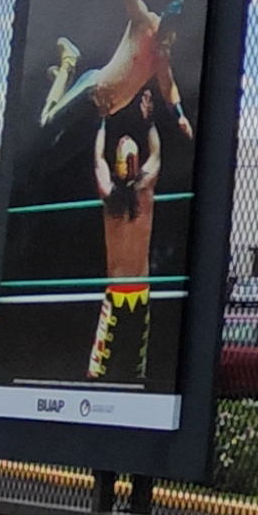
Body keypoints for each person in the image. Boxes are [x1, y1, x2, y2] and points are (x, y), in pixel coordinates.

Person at [41, 0, 190, 146]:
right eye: (165, 31)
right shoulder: (145, 23)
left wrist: (180, 116)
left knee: (55, 148)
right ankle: (68, 64)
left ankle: (63, 76)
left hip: (102, 111)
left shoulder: (162, 58)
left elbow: (168, 87)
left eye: (170, 36)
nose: (165, 39)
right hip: (93, 88)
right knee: (46, 124)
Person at [86, 110, 162, 382]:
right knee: (135, 364)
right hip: (139, 286)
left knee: (100, 367)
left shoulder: (110, 194)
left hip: (120, 286)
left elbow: (97, 159)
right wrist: (149, 121)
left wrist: (103, 122)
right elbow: (156, 154)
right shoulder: (145, 190)